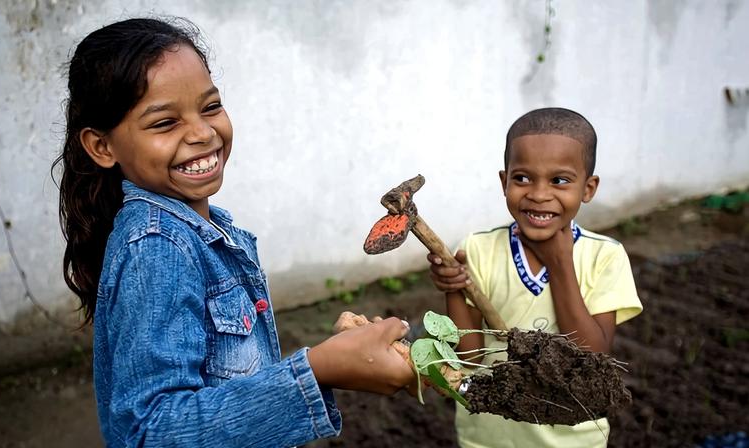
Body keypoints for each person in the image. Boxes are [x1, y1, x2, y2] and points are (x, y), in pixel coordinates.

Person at [53, 17, 414, 447]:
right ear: (102, 146)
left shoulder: (206, 230)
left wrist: (336, 360)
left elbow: (232, 384)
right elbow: (152, 433)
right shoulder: (157, 247)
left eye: (210, 107)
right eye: (165, 123)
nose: (203, 133)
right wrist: (318, 369)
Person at [427, 108, 643, 448]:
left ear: (588, 188)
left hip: (573, 440)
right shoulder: (478, 249)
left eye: (559, 180)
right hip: (488, 435)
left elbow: (591, 356)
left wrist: (560, 265)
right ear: (504, 181)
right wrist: (453, 290)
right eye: (523, 178)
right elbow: (468, 358)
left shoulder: (604, 256)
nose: (539, 194)